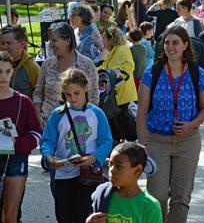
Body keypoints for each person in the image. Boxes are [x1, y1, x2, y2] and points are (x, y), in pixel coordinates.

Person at [136, 25, 204, 222]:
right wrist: (143, 144)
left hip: (188, 142)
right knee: (157, 197)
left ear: (186, 45)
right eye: (167, 42)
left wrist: (191, 125)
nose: (171, 47)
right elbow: (141, 111)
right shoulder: (151, 73)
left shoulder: (198, 74)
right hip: (156, 141)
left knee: (181, 197)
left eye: (176, 42)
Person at [40, 68, 113, 223]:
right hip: (63, 174)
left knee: (84, 215)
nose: (72, 98)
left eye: (77, 93)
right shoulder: (57, 114)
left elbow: (106, 141)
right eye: (68, 94)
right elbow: (47, 140)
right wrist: (49, 156)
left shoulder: (97, 113)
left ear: (86, 88)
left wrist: (94, 158)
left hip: (88, 173)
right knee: (64, 215)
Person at [0, 51, 42, 223]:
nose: (3, 76)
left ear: (12, 72)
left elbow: (36, 133)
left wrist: (19, 143)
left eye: (7, 71)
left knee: (10, 216)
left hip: (16, 160)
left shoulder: (22, 101)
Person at [33, 22, 99, 126]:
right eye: (50, 40)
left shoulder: (87, 65)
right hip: (48, 125)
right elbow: (38, 95)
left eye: (54, 40)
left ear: (68, 41)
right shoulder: (47, 65)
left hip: (78, 127)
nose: (50, 44)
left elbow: (93, 98)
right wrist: (38, 121)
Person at [86, 141, 162, 223]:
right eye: (110, 164)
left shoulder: (150, 207)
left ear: (137, 170)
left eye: (119, 166)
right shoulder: (102, 196)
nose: (112, 170)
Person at [99, 26, 138, 142]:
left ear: (111, 39)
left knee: (122, 119)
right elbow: (105, 66)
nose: (102, 41)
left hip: (122, 93)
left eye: (104, 38)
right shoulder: (113, 51)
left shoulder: (121, 50)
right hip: (117, 93)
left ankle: (134, 141)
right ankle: (120, 142)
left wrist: (112, 73)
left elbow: (128, 67)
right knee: (117, 119)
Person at [0, 24, 40, 98]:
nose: (4, 47)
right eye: (2, 43)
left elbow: (39, 95)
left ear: (22, 44)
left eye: (9, 43)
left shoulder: (32, 67)